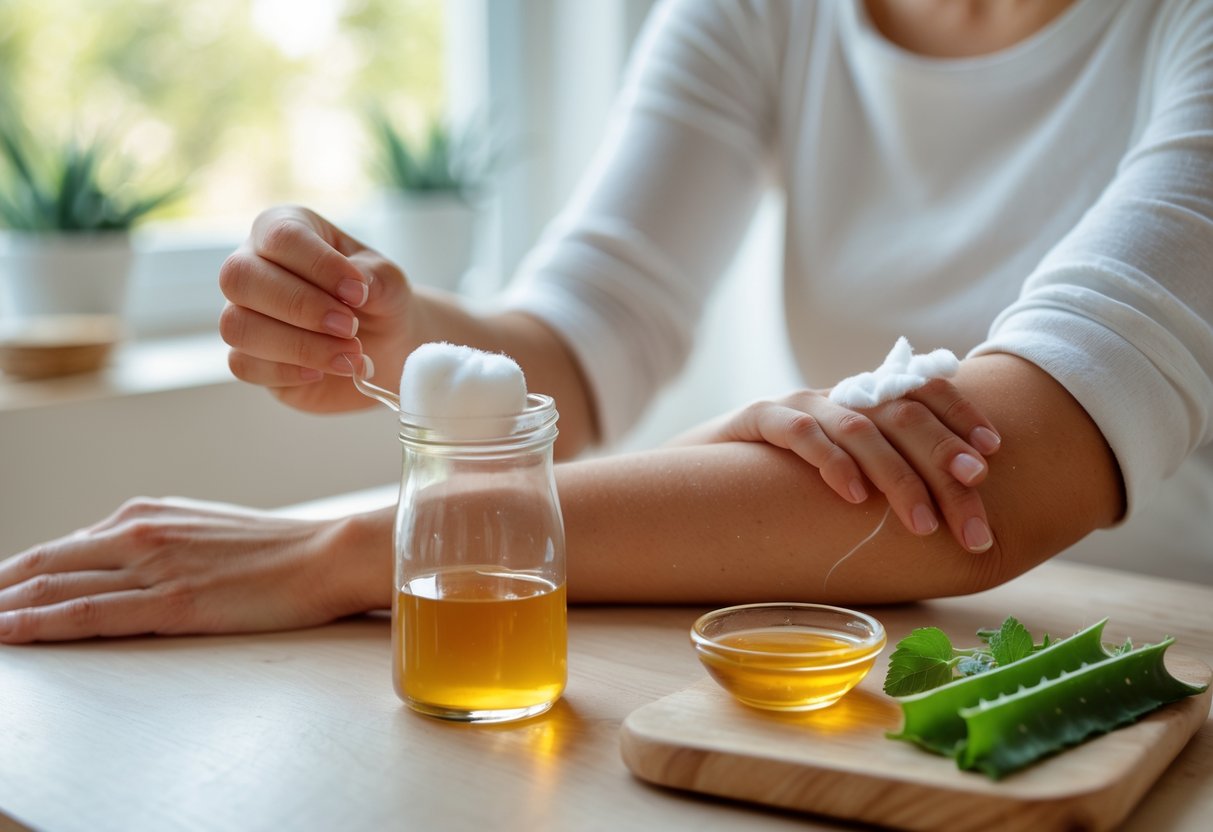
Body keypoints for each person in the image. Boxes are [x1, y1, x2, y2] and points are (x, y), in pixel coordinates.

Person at [1, 0, 1210, 643]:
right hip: (887, 645)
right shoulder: (758, 12)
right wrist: (408, 331)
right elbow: (576, 355)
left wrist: (339, 555)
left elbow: (983, 489)